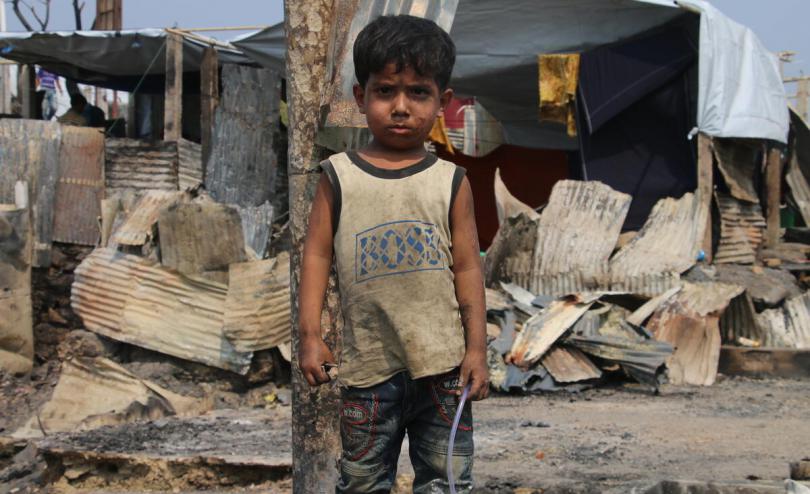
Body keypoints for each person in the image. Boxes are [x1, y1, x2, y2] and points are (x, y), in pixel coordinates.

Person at [299, 14, 489, 494]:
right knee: (363, 483)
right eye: (385, 91)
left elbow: (467, 267)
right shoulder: (338, 176)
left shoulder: (451, 181)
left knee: (446, 482)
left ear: (443, 102)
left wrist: (477, 350)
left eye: (418, 93)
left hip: (442, 369)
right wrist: (309, 335)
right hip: (369, 371)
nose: (401, 107)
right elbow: (317, 257)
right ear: (361, 97)